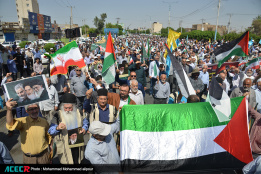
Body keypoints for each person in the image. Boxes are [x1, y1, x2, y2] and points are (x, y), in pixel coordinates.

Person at [5, 100, 52, 164]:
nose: (34, 111)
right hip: (29, 159)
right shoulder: (23, 121)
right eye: (31, 109)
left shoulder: (44, 122)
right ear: (27, 111)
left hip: (44, 157)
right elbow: (10, 123)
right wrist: (9, 110)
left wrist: (51, 154)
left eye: (35, 108)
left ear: (38, 109)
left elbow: (49, 136)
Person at [48, 93, 88, 164]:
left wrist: (84, 129)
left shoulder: (80, 113)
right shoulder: (57, 115)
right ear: (62, 106)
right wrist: (57, 128)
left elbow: (85, 123)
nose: (68, 110)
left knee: (77, 161)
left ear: (74, 106)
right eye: (65, 108)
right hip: (64, 145)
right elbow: (50, 131)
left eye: (70, 108)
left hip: (77, 143)